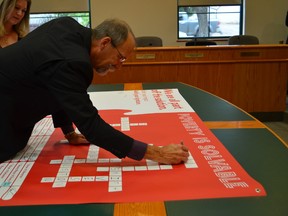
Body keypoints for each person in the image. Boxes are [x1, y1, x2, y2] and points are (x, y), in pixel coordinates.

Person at [0, 16, 189, 165]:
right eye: (120, 58)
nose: (119, 66)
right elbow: (92, 127)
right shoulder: (74, 62)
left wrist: (69, 132)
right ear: (105, 42)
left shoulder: (66, 26)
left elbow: (57, 88)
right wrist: (158, 153)